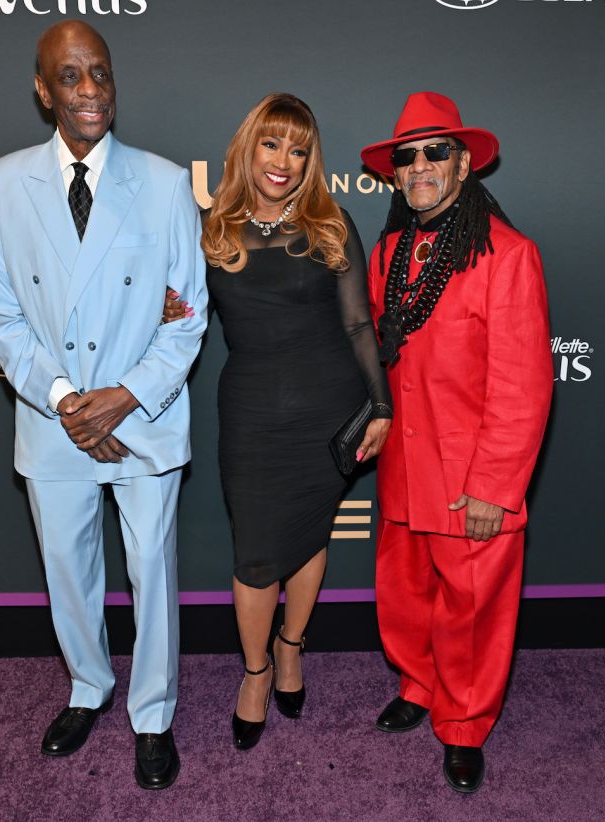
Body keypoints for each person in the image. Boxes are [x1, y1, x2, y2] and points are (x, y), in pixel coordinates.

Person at [0, 20, 207, 790]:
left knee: (149, 567)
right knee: (68, 570)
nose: (89, 92)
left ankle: (153, 713)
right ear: (44, 91)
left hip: (141, 415)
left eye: (100, 74)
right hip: (55, 418)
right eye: (70, 77)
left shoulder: (167, 182)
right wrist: (71, 402)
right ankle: (87, 686)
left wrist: (123, 399)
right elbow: (2, 313)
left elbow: (186, 314)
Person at [166, 93, 392, 750]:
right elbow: (175, 316)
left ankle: (291, 647)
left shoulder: (329, 222)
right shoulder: (212, 228)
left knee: (308, 535)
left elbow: (356, 322)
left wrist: (380, 404)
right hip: (252, 414)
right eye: (272, 145)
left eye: (298, 150)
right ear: (249, 148)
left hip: (328, 407)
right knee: (257, 553)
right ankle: (257, 670)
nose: (284, 162)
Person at [360, 92, 552, 792]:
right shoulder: (387, 254)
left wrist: (495, 488)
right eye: (406, 156)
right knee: (405, 592)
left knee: (472, 607)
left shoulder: (509, 255)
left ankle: (465, 723)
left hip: (471, 475)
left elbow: (524, 384)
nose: (419, 167)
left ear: (464, 162)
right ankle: (417, 685)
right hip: (405, 466)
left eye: (435, 151)